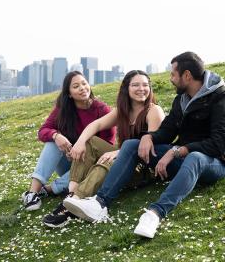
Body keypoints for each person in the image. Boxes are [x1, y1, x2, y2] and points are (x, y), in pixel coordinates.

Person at [63, 51, 225, 239]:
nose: (170, 79)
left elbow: (218, 144)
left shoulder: (220, 99)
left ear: (186, 75)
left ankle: (155, 214)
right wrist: (149, 137)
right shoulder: (181, 100)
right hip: (182, 158)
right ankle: (100, 204)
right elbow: (167, 131)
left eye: (173, 74)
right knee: (132, 144)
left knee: (195, 158)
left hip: (213, 162)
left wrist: (178, 151)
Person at [42, 70, 165, 227]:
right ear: (126, 88)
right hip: (125, 160)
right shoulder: (123, 110)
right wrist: (80, 142)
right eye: (135, 85)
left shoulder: (154, 110)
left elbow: (148, 147)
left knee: (109, 159)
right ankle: (71, 196)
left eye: (145, 85)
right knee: (90, 141)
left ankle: (72, 205)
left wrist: (119, 152)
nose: (141, 89)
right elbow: (96, 124)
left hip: (144, 168)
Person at [22, 71, 116, 211]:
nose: (82, 88)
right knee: (52, 142)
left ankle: (48, 190)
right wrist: (56, 136)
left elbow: (107, 143)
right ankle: (33, 193)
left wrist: (81, 151)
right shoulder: (63, 109)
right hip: (69, 161)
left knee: (91, 170)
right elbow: (43, 131)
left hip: (89, 164)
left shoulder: (102, 110)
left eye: (84, 83)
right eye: (76, 86)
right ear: (69, 93)